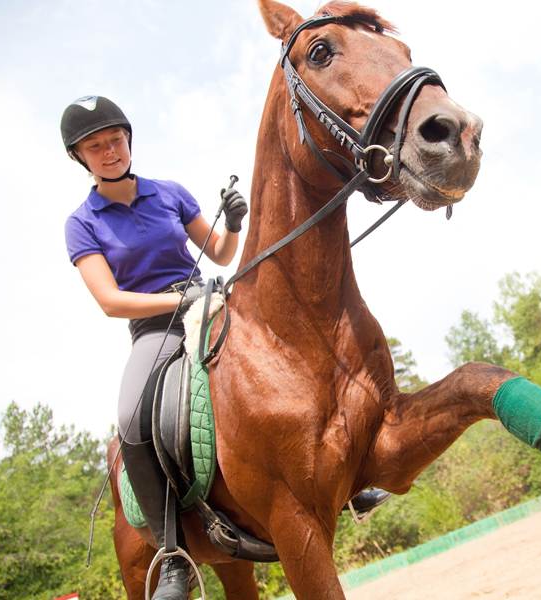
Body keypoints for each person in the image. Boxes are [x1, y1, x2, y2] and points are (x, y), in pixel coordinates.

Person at [62, 95, 389, 599]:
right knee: (131, 418)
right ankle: (172, 554)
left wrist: (234, 222)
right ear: (81, 157)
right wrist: (172, 300)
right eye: (95, 146)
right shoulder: (83, 222)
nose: (109, 151)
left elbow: (218, 252)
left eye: (115, 139)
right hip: (155, 331)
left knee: (300, 350)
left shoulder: (168, 193)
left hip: (212, 306)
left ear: (128, 140)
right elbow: (109, 300)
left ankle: (352, 476)